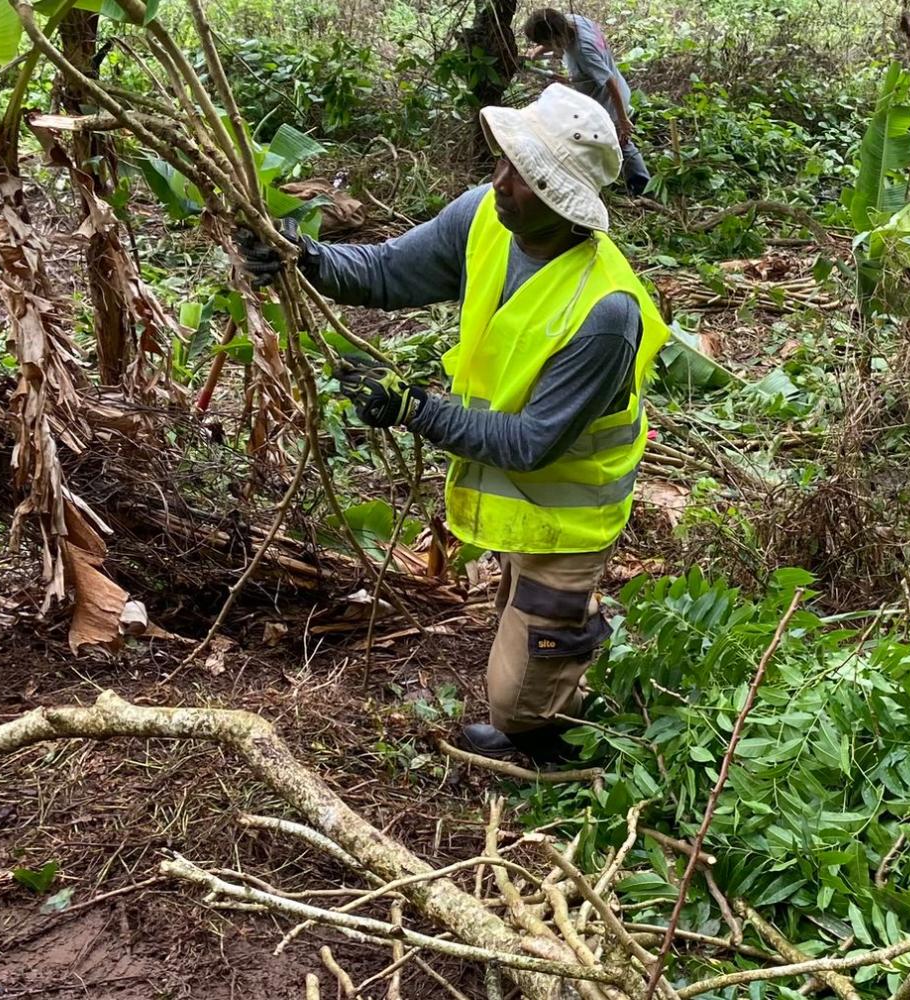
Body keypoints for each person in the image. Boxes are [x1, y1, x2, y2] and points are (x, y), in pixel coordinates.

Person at [238, 85, 668, 762]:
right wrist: (307, 259)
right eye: (503, 164)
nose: (500, 183)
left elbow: (528, 444)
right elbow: (385, 271)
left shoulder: (606, 312)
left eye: (522, 177)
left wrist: (415, 409)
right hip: (523, 503)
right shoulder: (486, 218)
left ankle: (573, 728)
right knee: (526, 638)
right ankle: (567, 646)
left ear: (562, 200)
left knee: (516, 707)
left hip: (569, 513)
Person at [523, 7, 650, 196]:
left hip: (609, 104)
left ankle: (643, 189)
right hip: (603, 93)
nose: (546, 45)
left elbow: (610, 82)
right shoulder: (571, 20)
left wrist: (622, 121)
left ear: (555, 36)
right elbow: (587, 65)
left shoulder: (583, 51)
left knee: (621, 145)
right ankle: (605, 175)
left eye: (545, 42)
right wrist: (537, 51)